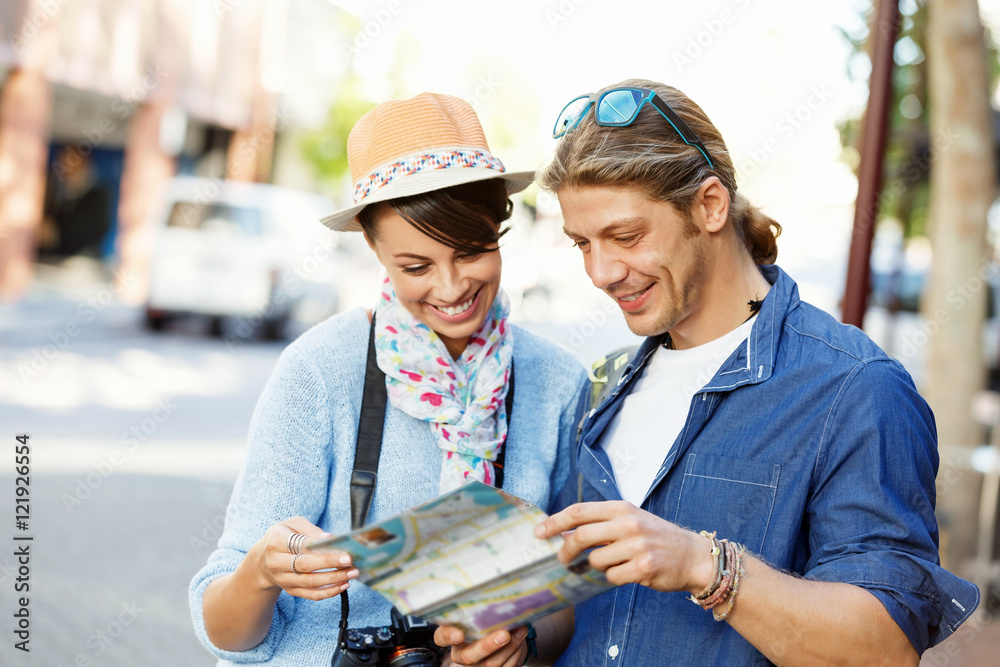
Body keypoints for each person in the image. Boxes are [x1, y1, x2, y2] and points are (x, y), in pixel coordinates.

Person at [436, 79, 980, 666]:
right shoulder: (605, 384)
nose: (601, 272)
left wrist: (704, 566)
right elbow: (595, 609)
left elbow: (884, 650)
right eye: (582, 244)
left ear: (711, 206)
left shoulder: (856, 388)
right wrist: (521, 636)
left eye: (625, 236)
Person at [188, 92, 587, 666]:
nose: (451, 289)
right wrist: (260, 570)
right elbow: (225, 630)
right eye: (416, 267)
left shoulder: (556, 382)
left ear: (502, 224)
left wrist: (517, 643)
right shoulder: (319, 371)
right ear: (373, 248)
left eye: (472, 251)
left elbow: (564, 603)